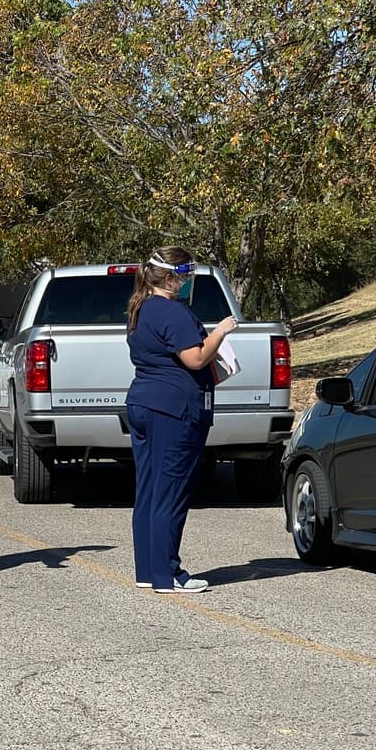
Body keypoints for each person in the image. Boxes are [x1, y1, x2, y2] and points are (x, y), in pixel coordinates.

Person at [125, 247, 238, 594]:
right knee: (170, 492)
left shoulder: (141, 308)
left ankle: (148, 570)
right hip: (174, 410)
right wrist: (220, 332)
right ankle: (168, 574)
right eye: (186, 276)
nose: (189, 282)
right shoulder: (173, 313)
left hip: (144, 404)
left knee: (149, 490)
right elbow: (195, 358)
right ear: (172, 277)